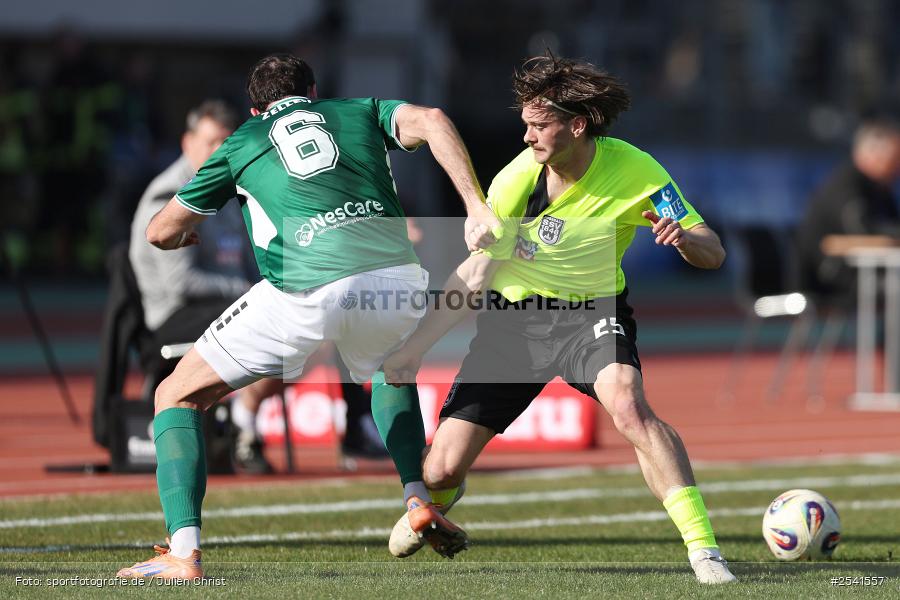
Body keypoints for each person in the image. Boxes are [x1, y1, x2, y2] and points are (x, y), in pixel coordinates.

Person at [117, 53, 498, 580]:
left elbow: (160, 231)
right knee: (392, 365)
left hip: (307, 288)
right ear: (314, 92)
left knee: (175, 394)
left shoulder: (243, 141)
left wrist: (188, 230)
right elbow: (432, 119)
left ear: (255, 109)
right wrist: (476, 207)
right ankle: (416, 498)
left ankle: (183, 553)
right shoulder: (360, 110)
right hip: (395, 277)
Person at [384, 54, 736, 585]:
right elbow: (475, 275)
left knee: (630, 408)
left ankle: (705, 552)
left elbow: (714, 252)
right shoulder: (511, 183)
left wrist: (685, 239)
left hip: (592, 316)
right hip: (512, 327)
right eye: (524, 123)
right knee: (440, 469)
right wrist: (415, 349)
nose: (527, 136)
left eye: (538, 124)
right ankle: (434, 501)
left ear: (577, 125)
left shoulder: (638, 171)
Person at [129, 99, 278, 474]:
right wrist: (246, 289)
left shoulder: (230, 187)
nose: (219, 151)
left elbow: (251, 262)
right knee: (275, 320)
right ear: (187, 142)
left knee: (309, 313)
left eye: (226, 142)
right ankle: (243, 423)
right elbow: (182, 284)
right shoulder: (167, 195)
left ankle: (246, 418)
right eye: (211, 142)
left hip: (221, 303)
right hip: (174, 315)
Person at [796, 117, 900, 309]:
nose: (897, 167)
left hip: (864, 270)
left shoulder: (882, 188)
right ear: (873, 155)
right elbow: (862, 229)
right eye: (895, 158)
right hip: (828, 275)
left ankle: (888, 338)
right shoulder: (846, 184)